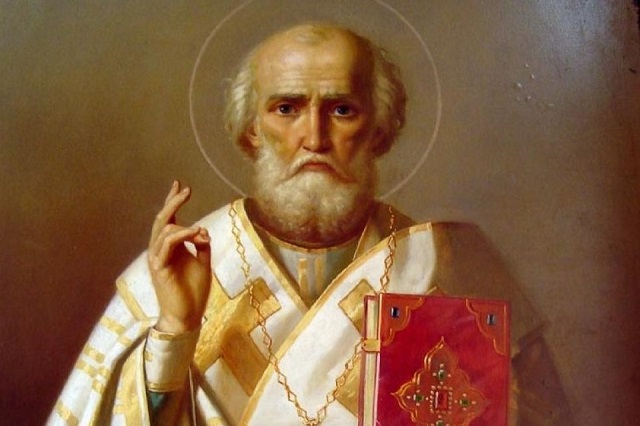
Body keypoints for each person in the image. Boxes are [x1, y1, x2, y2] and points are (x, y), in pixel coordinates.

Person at [49, 24, 556, 425]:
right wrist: (176, 332)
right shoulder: (174, 273)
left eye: (342, 109)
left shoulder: (446, 268)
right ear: (252, 131)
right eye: (287, 108)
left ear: (379, 130)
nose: (314, 137)